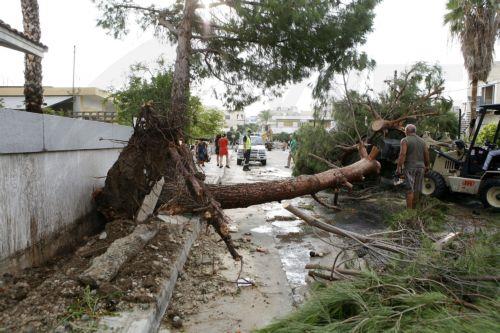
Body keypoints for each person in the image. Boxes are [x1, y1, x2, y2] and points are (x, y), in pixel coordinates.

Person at [397, 124, 430, 209]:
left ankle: (409, 212)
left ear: (407, 131)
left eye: (405, 131)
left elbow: (402, 154)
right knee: (417, 189)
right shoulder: (423, 141)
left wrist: (398, 167)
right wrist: (427, 165)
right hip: (421, 168)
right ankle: (415, 210)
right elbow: (426, 154)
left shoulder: (405, 140)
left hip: (410, 167)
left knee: (409, 190)